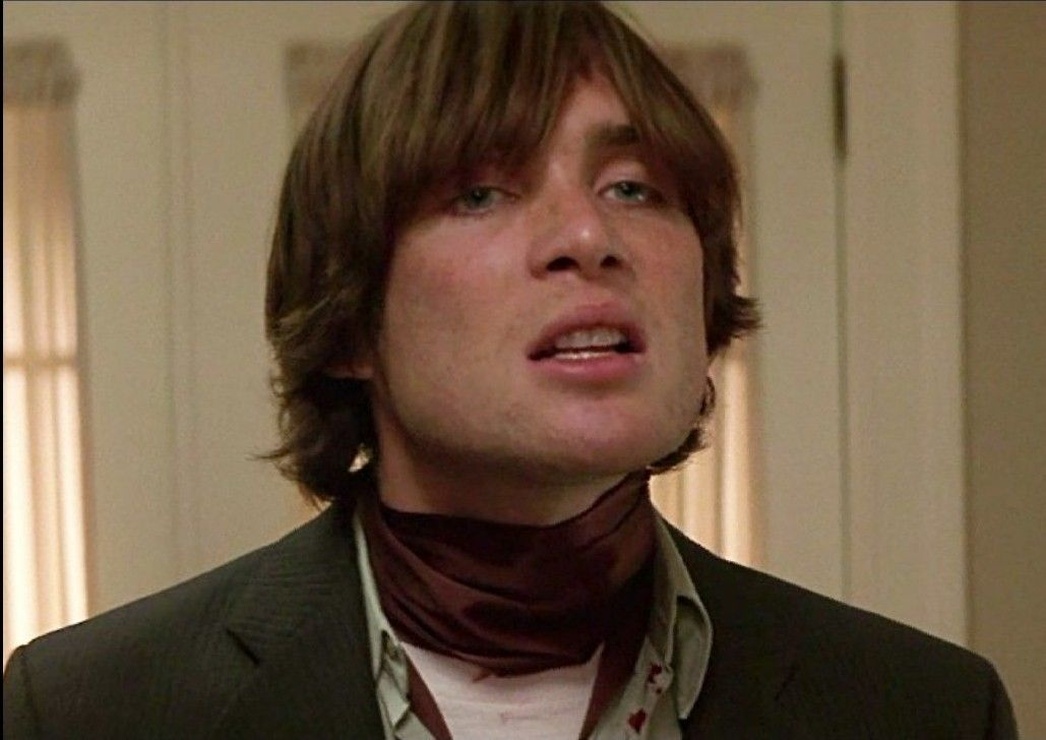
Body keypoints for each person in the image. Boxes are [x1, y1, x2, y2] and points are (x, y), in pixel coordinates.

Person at [2, 2, 1017, 738]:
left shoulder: (920, 710)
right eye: (482, 192)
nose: (588, 235)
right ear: (351, 321)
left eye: (634, 187)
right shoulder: (95, 710)